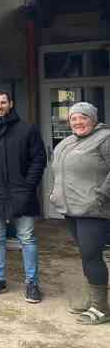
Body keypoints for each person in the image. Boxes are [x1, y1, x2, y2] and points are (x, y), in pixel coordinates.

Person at [0, 90, 47, 303]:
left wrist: (29, 185)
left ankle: (32, 283)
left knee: (27, 238)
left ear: (11, 104)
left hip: (23, 193)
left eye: (3, 102)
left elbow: (39, 159)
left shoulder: (27, 130)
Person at [50, 102, 110, 324]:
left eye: (83, 117)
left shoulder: (104, 139)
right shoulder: (68, 142)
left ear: (93, 119)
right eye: (74, 118)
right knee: (86, 255)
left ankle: (101, 308)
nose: (77, 122)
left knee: (92, 255)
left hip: (94, 209)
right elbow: (60, 171)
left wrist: (101, 195)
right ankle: (94, 300)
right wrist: (55, 193)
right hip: (72, 209)